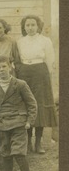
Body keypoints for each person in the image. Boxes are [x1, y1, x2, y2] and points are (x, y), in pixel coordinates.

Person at [0, 56, 37, 171]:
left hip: (19, 122)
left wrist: (30, 121)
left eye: (3, 66)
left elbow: (32, 104)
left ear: (10, 67)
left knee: (18, 152)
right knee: (5, 153)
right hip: (3, 124)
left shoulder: (20, 84)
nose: (1, 70)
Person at [15, 15, 58, 154]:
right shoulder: (20, 41)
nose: (30, 28)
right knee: (27, 105)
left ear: (38, 26)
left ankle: (38, 143)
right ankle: (27, 143)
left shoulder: (45, 40)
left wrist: (46, 75)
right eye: (27, 25)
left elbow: (50, 59)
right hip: (25, 73)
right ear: (24, 27)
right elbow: (17, 60)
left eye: (33, 25)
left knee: (39, 106)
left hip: (40, 73)